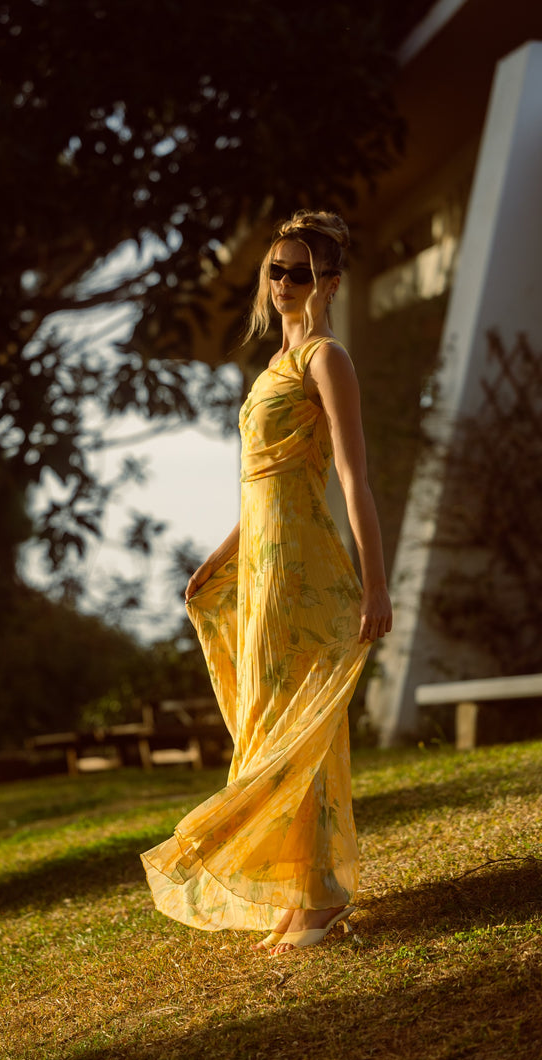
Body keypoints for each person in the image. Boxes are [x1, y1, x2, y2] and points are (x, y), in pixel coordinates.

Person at [140, 210, 392, 956]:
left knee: (298, 726)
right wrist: (217, 559)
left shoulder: (326, 357)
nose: (284, 283)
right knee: (266, 721)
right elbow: (260, 489)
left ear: (330, 282)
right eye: (276, 270)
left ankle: (318, 896)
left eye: (301, 272)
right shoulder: (270, 371)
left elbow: (353, 479)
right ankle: (296, 891)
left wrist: (375, 584)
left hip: (307, 569)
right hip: (262, 569)